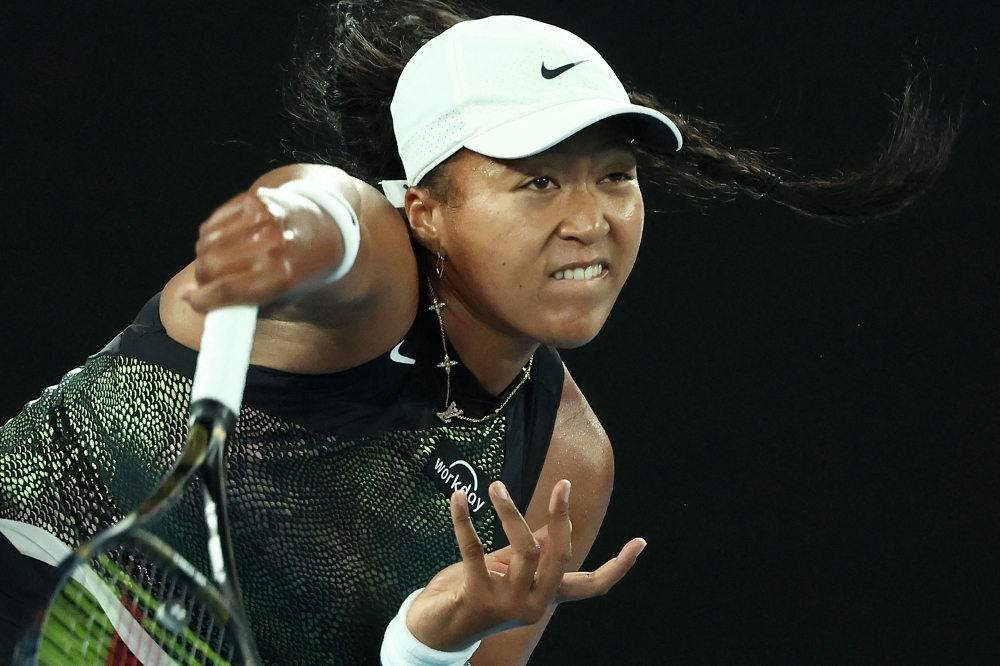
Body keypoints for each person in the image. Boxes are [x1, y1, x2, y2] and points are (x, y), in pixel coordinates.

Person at [0, 1, 958, 664]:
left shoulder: (566, 462)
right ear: (424, 208)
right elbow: (325, 211)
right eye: (537, 179)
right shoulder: (376, 275)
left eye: (615, 175)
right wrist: (290, 233)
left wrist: (432, 637)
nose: (592, 218)